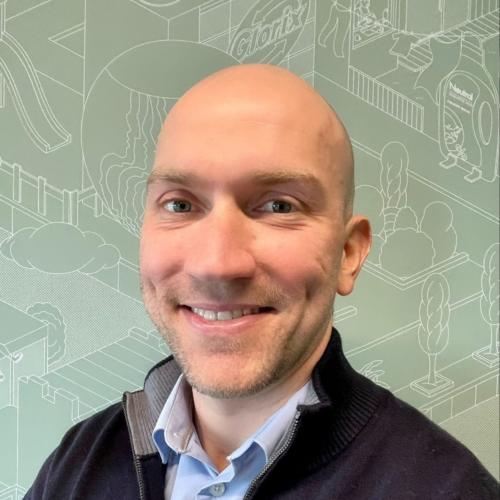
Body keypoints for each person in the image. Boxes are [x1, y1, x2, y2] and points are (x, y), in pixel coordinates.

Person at [25, 64, 498, 499]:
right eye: (180, 204)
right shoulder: (75, 466)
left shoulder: (446, 490)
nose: (217, 264)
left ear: (348, 254)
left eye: (278, 206)